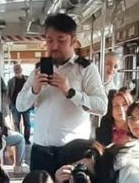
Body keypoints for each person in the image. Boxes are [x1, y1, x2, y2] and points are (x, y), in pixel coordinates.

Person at [15, 14, 109, 174]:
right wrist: (34, 90)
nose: (54, 45)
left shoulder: (85, 69)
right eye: (50, 40)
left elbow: (102, 107)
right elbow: (20, 105)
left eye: (61, 40)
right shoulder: (38, 70)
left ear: (73, 40)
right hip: (40, 151)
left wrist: (70, 92)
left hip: (71, 153)